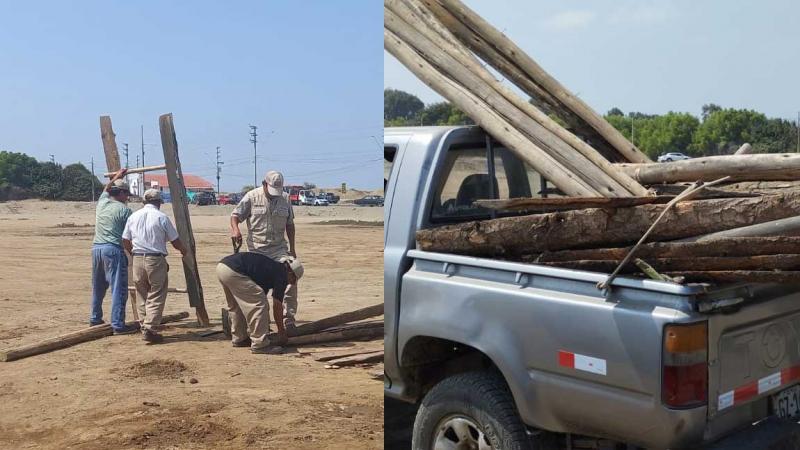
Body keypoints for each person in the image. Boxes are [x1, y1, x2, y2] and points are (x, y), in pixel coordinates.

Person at [230, 170, 300, 330]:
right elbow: (235, 216)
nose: (275, 194)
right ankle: (263, 324)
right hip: (257, 251)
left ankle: (288, 319)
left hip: (279, 250)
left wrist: (293, 249)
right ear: (264, 184)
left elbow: (290, 225)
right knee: (258, 289)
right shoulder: (251, 197)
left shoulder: (286, 198)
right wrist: (235, 230)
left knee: (291, 280)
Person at [122, 189, 188, 344]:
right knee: (157, 293)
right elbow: (175, 240)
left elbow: (125, 239)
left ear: (144, 202)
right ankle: (150, 328)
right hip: (155, 258)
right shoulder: (161, 217)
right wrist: (184, 252)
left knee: (142, 292)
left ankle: (144, 323)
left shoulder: (133, 216)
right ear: (159, 202)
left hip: (137, 257)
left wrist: (133, 254)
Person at [216, 252, 304, 354]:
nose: (291, 283)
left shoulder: (271, 268)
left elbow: (263, 298)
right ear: (290, 272)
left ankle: (239, 338)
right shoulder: (282, 275)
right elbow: (277, 306)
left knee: (236, 305)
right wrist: (281, 331)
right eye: (293, 279)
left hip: (222, 267)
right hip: (235, 270)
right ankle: (260, 344)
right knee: (258, 304)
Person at [90, 168, 136, 334]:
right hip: (113, 249)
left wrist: (116, 176)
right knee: (118, 287)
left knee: (98, 286)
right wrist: (132, 253)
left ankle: (95, 318)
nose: (128, 198)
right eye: (127, 194)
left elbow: (105, 188)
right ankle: (118, 324)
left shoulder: (102, 203)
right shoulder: (124, 211)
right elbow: (128, 237)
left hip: (97, 248)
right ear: (122, 193)